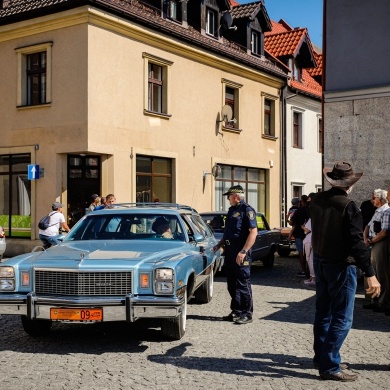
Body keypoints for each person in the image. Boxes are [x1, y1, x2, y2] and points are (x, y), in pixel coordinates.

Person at [310, 161, 381, 382]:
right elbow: (356, 243)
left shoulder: (317, 199)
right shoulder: (348, 205)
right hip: (339, 264)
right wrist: (370, 273)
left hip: (321, 260)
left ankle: (322, 357)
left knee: (323, 312)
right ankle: (330, 365)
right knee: (342, 317)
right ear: (349, 184)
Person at [213, 185, 258, 325]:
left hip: (241, 252)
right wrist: (219, 245)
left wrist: (244, 251)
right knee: (231, 284)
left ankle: (247, 313)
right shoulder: (232, 210)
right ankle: (236, 311)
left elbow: (253, 232)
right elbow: (228, 233)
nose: (228, 198)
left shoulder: (247, 210)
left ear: (236, 196)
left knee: (243, 283)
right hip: (230, 252)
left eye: (229, 196)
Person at [363, 189, 390, 315]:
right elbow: (368, 226)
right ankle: (374, 300)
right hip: (373, 243)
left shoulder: (386, 211)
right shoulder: (377, 211)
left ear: (380, 199)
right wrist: (365, 238)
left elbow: (384, 231)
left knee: (381, 272)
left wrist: (372, 240)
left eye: (374, 198)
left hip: (380, 243)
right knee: (372, 271)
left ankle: (382, 302)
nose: (372, 200)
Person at [289, 195, 309, 276]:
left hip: (299, 234)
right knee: (309, 254)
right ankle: (311, 271)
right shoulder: (310, 210)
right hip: (309, 234)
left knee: (301, 253)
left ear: (301, 202)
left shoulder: (299, 211)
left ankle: (303, 270)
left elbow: (291, 222)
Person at [302, 193, 316, 286]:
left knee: (310, 259)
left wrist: (302, 227)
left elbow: (308, 229)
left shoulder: (312, 217)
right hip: (310, 239)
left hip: (309, 239)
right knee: (310, 259)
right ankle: (312, 277)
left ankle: (313, 278)